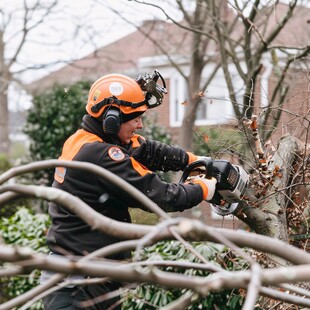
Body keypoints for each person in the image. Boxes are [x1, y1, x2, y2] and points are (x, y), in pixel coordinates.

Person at [41, 71, 217, 309]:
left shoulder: (87, 140)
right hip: (78, 287)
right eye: (135, 118)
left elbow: (150, 151)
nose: (140, 124)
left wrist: (195, 161)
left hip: (92, 278)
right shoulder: (101, 155)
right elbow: (160, 197)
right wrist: (202, 188)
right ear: (111, 119)